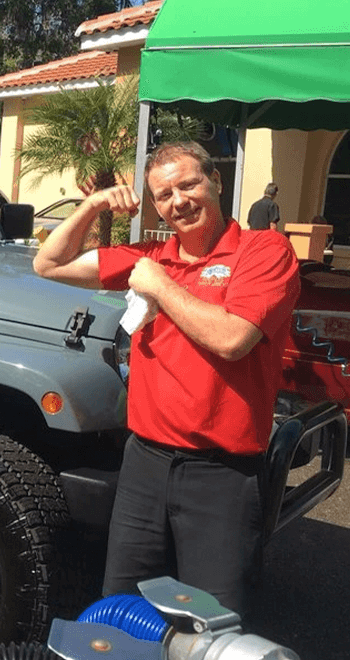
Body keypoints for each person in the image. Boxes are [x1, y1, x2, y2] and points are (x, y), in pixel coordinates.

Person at [32, 142, 300, 615]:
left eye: (189, 184)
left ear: (216, 181)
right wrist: (93, 204)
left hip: (221, 473)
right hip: (145, 464)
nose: (178, 201)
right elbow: (48, 263)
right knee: (122, 609)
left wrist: (159, 285)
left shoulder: (264, 251)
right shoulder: (150, 255)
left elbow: (233, 337)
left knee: (212, 624)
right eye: (163, 194)